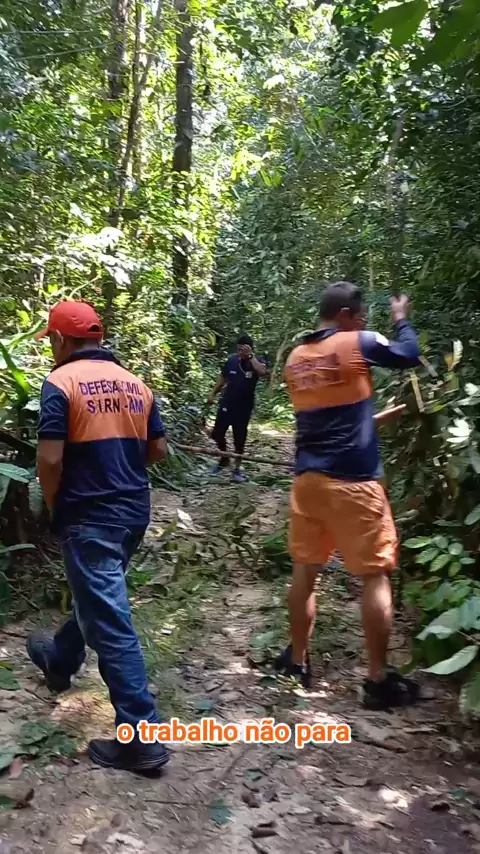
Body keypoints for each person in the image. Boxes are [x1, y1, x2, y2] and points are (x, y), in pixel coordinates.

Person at [27, 300, 170, 773]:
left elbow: (50, 459)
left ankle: (141, 737)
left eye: (51, 340)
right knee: (99, 599)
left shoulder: (61, 382)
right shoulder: (135, 383)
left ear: (61, 340)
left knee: (110, 619)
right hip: (133, 513)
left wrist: (54, 506)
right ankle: (59, 659)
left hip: (89, 515)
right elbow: (158, 450)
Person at [277, 282, 422, 710]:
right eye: (359, 316)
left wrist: (375, 420)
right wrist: (401, 318)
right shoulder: (357, 342)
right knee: (375, 575)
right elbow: (409, 353)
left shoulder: (296, 358)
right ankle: (377, 680)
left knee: (305, 572)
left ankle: (296, 661)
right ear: (344, 315)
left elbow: (329, 421)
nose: (362, 323)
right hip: (355, 482)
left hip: (309, 482)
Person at [206, 334, 267, 482]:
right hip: (227, 402)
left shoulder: (257, 361)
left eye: (243, 349)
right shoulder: (232, 360)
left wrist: (250, 356)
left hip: (244, 406)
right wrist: (213, 393)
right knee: (217, 433)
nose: (240, 352)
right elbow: (222, 378)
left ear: (249, 348)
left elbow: (262, 372)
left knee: (239, 438)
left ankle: (237, 469)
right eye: (238, 349)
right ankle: (224, 458)